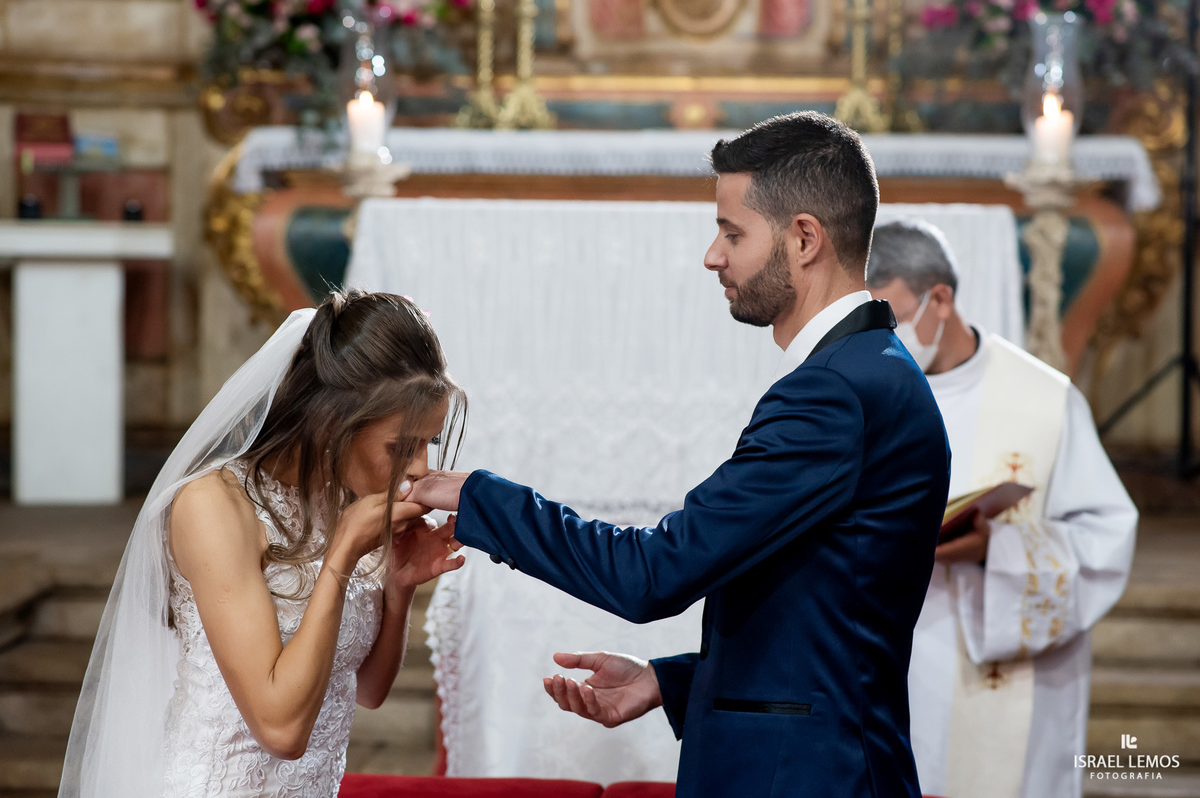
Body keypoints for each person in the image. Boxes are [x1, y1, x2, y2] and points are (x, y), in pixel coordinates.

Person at [408, 112, 950, 797]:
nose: (712, 255)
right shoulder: (870, 369)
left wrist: (477, 497)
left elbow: (652, 574)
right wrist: (671, 681)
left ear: (804, 237)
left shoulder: (834, 394)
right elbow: (831, 618)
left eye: (732, 232)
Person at [60, 291, 467, 797]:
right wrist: (341, 555)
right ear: (335, 424)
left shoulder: (344, 494)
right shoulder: (213, 505)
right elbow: (281, 730)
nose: (423, 468)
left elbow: (366, 689)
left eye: (429, 442)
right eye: (402, 447)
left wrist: (399, 587)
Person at [865, 219, 1138, 798]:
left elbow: (1105, 540)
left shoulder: (1042, 397)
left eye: (889, 315)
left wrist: (999, 548)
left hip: (1002, 664)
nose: (879, 336)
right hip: (889, 659)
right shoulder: (860, 391)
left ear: (940, 298)